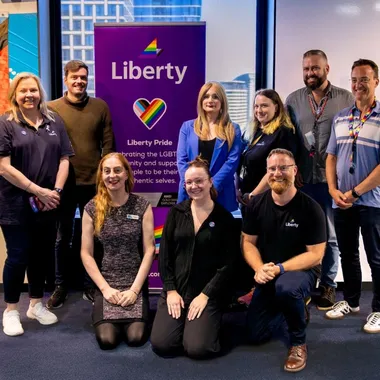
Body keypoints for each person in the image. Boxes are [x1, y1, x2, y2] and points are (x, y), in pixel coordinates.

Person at [0, 72, 74, 336]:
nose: (29, 95)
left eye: (33, 90)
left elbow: (65, 159)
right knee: (18, 256)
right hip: (15, 203)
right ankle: (10, 311)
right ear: (15, 96)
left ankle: (35, 305)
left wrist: (55, 191)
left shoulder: (54, 121)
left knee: (42, 256)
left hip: (48, 203)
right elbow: (3, 167)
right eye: (23, 91)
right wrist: (37, 190)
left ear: (40, 93)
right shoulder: (6, 124)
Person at [242, 148, 326, 373]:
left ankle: (298, 343)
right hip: (270, 271)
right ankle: (293, 307)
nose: (277, 173)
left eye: (283, 168)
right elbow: (248, 243)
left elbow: (315, 255)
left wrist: (280, 268)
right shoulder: (256, 204)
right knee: (254, 335)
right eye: (272, 169)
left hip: (301, 270)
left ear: (295, 170)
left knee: (287, 288)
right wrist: (259, 268)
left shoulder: (311, 208)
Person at [285, 50, 354, 311]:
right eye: (306, 69)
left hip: (332, 180)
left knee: (330, 235)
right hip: (302, 179)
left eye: (315, 68)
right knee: (301, 233)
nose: (310, 73)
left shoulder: (345, 99)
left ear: (327, 68)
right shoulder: (293, 100)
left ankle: (328, 285)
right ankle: (303, 283)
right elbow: (288, 137)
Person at [151, 156, 239, 359]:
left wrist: (206, 295)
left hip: (206, 293)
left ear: (210, 182)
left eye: (199, 181)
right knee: (162, 344)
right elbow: (164, 255)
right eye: (189, 182)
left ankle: (204, 326)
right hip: (177, 291)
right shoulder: (176, 213)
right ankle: (188, 326)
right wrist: (171, 290)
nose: (194, 186)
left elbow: (228, 264)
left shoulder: (224, 219)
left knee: (198, 348)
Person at [47, 60, 115, 309]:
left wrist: (106, 181)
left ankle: (90, 284)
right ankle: (60, 286)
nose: (79, 81)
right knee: (62, 237)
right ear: (66, 79)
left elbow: (108, 147)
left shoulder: (100, 107)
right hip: (63, 185)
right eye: (74, 77)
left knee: (95, 237)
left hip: (93, 184)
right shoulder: (50, 109)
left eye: (83, 77)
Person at [325, 59, 380, 333]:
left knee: (376, 256)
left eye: (365, 79)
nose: (358, 85)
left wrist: (355, 192)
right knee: (348, 254)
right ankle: (352, 301)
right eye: (354, 80)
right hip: (342, 200)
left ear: (376, 82)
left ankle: (379, 309)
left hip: (372, 202)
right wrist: (333, 190)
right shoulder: (341, 116)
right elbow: (331, 156)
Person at [81, 153, 155, 350]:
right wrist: (105, 289)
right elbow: (86, 254)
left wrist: (134, 290)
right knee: (107, 341)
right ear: (101, 175)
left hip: (134, 283)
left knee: (136, 338)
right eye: (107, 171)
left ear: (126, 174)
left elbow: (149, 251)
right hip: (106, 283)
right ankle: (100, 306)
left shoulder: (142, 206)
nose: (111, 175)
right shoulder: (92, 208)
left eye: (117, 170)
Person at [177, 81, 242, 212]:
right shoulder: (187, 127)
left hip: (221, 193)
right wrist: (192, 185)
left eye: (215, 97)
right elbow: (182, 160)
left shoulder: (233, 129)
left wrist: (212, 186)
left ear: (222, 101)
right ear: (201, 101)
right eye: (206, 96)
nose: (210, 100)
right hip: (191, 193)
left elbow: (232, 162)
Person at [237, 88, 299, 207]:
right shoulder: (253, 131)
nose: (259, 110)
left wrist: (253, 195)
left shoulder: (283, 132)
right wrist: (239, 190)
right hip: (247, 199)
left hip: (267, 199)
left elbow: (277, 171)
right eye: (256, 106)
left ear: (276, 107)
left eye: (264, 106)